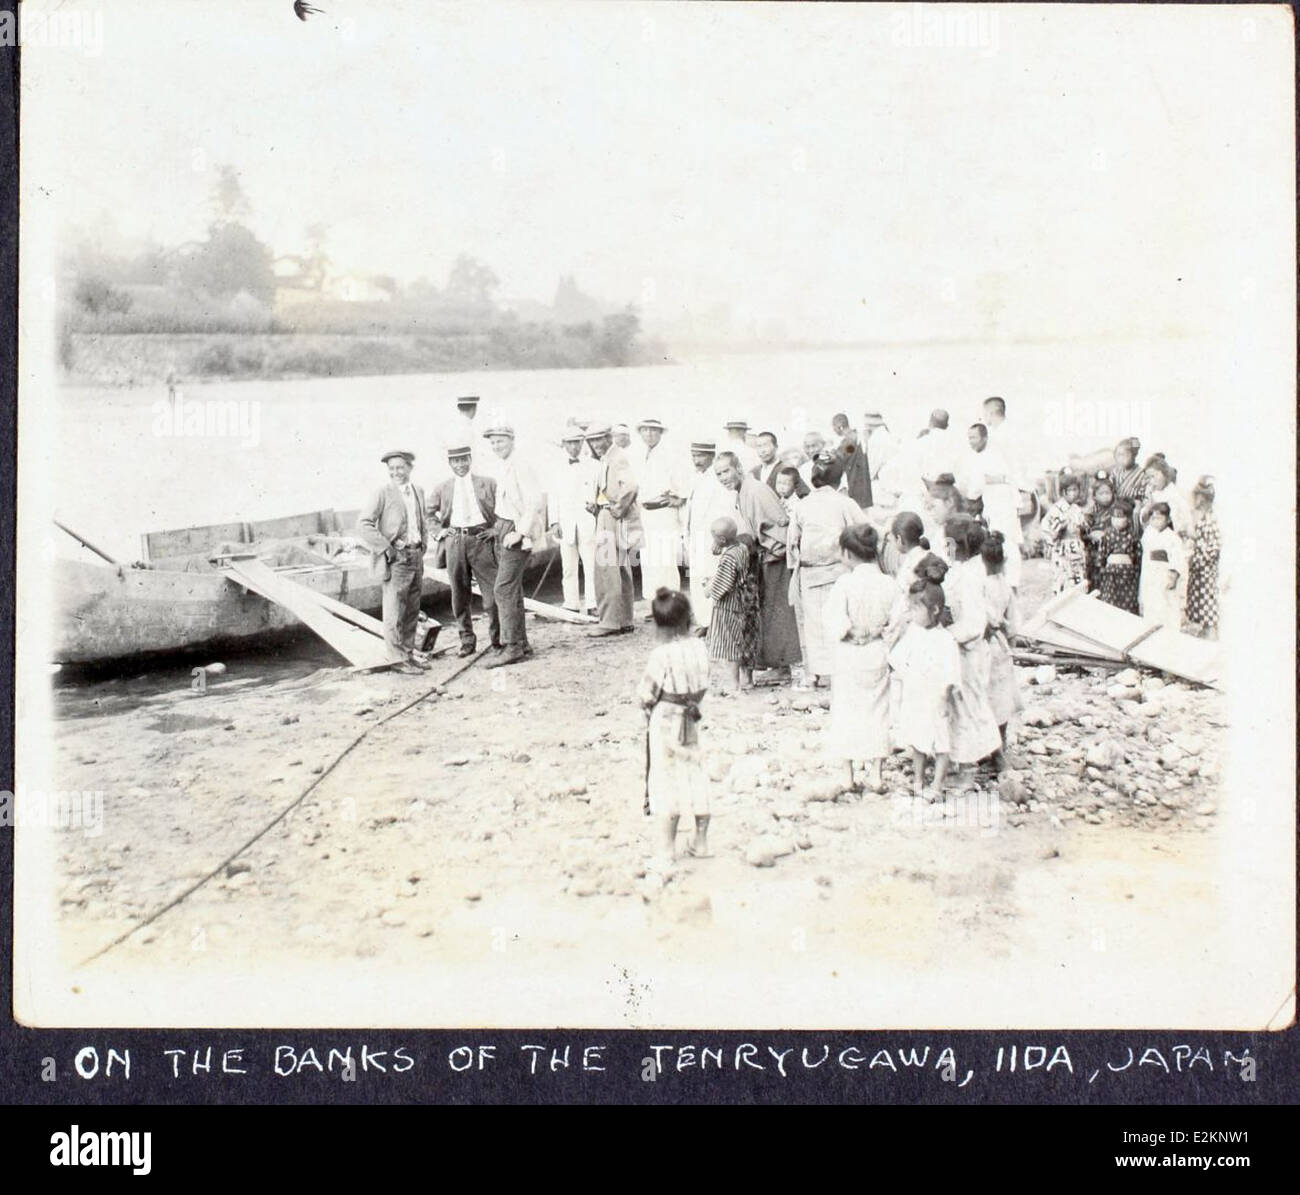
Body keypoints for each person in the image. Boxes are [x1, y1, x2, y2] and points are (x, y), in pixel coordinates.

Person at [637, 588, 711, 866]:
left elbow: (647, 693)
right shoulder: (699, 648)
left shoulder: (661, 655)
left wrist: (646, 712)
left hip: (666, 719)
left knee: (666, 779)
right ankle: (701, 841)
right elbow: (704, 684)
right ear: (688, 618)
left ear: (659, 624)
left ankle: (666, 849)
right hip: (690, 716)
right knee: (694, 773)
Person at [823, 523, 896, 793]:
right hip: (876, 649)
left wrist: (848, 630)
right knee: (878, 710)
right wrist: (879, 630)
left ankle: (847, 774)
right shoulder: (889, 584)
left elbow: (832, 617)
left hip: (849, 652)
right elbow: (899, 619)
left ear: (848, 554)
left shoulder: (845, 582)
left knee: (846, 709)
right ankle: (876, 774)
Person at [716, 451, 801, 677]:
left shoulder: (754, 491)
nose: (723, 477)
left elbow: (779, 526)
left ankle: (783, 667)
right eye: (719, 474)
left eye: (726, 471)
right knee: (768, 611)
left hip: (776, 556)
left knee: (777, 611)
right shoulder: (743, 491)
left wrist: (772, 551)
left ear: (738, 468)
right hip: (765, 554)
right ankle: (775, 664)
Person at [787, 456, 863, 685]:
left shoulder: (803, 505)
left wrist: (795, 568)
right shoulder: (844, 503)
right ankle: (839, 672)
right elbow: (863, 529)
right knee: (839, 619)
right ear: (839, 478)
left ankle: (815, 674)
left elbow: (792, 542)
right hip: (838, 569)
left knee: (813, 623)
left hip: (811, 572)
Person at [355, 450, 430, 675]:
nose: (396, 472)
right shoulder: (382, 493)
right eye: (392, 469)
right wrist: (387, 548)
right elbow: (364, 524)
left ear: (410, 468)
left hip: (416, 555)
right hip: (397, 560)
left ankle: (407, 654)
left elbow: (420, 520)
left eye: (400, 468)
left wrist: (423, 545)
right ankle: (397, 659)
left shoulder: (418, 491)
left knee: (412, 608)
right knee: (394, 610)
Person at [888, 575, 961, 799]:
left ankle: (937, 785)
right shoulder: (913, 633)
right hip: (917, 693)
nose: (911, 614)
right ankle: (918, 780)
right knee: (918, 737)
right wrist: (908, 673)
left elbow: (952, 671)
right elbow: (896, 657)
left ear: (935, 610)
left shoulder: (946, 639)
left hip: (937, 697)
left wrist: (946, 694)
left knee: (941, 741)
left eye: (915, 609)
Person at [942, 516, 1004, 774]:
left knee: (972, 704)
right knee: (971, 703)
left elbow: (974, 623)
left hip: (970, 648)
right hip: (968, 646)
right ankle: (987, 755)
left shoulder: (970, 576)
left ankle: (982, 759)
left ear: (952, 545)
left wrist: (947, 635)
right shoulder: (967, 570)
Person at [483, 421, 546, 668]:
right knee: (512, 588)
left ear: (512, 440)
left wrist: (519, 533)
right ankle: (521, 643)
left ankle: (512, 645)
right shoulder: (504, 465)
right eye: (493, 442)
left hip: (515, 530)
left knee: (503, 588)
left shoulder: (521, 465)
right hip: (503, 526)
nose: (497, 446)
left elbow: (534, 502)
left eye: (501, 441)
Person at [428, 443, 500, 657]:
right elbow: (428, 514)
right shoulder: (443, 488)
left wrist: (496, 529)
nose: (459, 465)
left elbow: (503, 508)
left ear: (470, 459)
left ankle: (498, 640)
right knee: (459, 595)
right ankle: (467, 640)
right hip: (455, 542)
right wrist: (440, 532)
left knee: (492, 594)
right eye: (455, 461)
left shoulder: (488, 483)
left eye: (463, 460)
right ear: (450, 463)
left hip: (481, 540)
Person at [585, 423, 641, 637]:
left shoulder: (617, 457)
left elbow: (631, 486)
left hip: (611, 517)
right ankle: (624, 619)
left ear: (609, 437)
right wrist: (596, 504)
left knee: (606, 569)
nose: (596, 444)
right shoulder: (608, 458)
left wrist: (615, 509)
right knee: (619, 568)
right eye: (592, 440)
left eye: (600, 439)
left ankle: (609, 622)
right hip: (607, 513)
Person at [960, 419, 1024, 588]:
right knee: (1004, 541)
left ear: (985, 438)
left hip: (1003, 505)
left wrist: (968, 496)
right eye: (969, 438)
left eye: (974, 437)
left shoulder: (991, 456)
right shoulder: (983, 457)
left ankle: (1011, 581)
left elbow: (975, 488)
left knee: (1007, 542)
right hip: (996, 505)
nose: (971, 441)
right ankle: (1006, 578)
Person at [635, 417, 688, 599]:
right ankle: (653, 602)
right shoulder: (640, 455)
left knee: (665, 559)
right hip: (646, 513)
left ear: (660, 433)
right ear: (640, 433)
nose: (649, 434)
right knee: (649, 560)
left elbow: (684, 483)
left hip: (664, 512)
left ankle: (671, 602)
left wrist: (678, 498)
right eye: (645, 430)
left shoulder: (670, 454)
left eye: (653, 430)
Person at [683, 439, 733, 633]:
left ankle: (715, 621)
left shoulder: (717, 480)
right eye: (694, 456)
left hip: (711, 537)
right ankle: (705, 621)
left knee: (711, 577)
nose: (697, 460)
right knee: (696, 578)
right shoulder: (696, 478)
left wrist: (720, 538)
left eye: (701, 456)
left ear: (711, 457)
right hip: (695, 535)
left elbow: (724, 511)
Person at [705, 516, 760, 692]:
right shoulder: (741, 548)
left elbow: (724, 584)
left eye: (714, 537)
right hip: (742, 599)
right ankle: (746, 680)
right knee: (744, 639)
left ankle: (733, 684)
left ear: (721, 539)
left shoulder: (729, 557)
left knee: (730, 643)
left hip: (728, 605)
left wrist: (709, 589)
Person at [980, 531, 1022, 758]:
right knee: (1002, 695)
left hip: (985, 642)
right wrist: (1011, 639)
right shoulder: (1005, 586)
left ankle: (987, 746)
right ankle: (1000, 743)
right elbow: (1014, 619)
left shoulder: (981, 586)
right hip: (1001, 644)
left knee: (985, 694)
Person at [548, 427, 598, 615]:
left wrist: (595, 505)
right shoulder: (556, 467)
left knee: (591, 565)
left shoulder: (593, 465)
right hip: (566, 524)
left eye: (577, 442)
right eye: (570, 442)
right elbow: (553, 497)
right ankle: (571, 603)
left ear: (582, 443)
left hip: (587, 522)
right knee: (568, 567)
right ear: (564, 444)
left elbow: (599, 491)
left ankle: (593, 604)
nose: (574, 446)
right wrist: (554, 523)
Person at [1040, 473, 1090, 594]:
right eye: (1070, 490)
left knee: (1078, 580)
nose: (1074, 493)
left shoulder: (1077, 509)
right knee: (1064, 580)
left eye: (1075, 489)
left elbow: (1084, 528)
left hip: (1076, 547)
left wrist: (1083, 528)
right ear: (1063, 492)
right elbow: (1046, 528)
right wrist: (1057, 532)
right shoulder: (1056, 509)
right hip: (1062, 549)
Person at [1139, 502, 1185, 628]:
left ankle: (1168, 632)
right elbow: (1146, 550)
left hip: (1164, 572)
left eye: (1159, 518)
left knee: (1166, 603)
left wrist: (1173, 574)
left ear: (1168, 519)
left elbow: (1177, 557)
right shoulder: (1149, 533)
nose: (1156, 521)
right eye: (1153, 518)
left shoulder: (1172, 537)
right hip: (1150, 571)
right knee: (1151, 602)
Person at [1184, 477, 1220, 639]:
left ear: (1202, 499)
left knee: (1207, 598)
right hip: (1198, 566)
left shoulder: (1211, 521)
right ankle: (1204, 627)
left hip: (1205, 567)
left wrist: (1198, 559)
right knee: (1198, 597)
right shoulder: (1202, 518)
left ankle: (1210, 629)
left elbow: (1213, 547)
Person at [1096, 498, 1142, 614]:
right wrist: (1102, 568)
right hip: (1111, 573)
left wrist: (1135, 571)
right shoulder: (1107, 534)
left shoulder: (1133, 536)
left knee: (1127, 603)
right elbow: (1102, 553)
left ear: (1128, 519)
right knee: (1110, 602)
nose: (1117, 520)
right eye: (1114, 517)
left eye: (1121, 517)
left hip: (1128, 574)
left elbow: (1137, 556)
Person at [1083, 471, 1117, 592]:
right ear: (1094, 496)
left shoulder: (1117, 510)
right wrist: (1091, 535)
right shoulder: (1090, 512)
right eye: (1101, 493)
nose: (1105, 496)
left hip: (1111, 550)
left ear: (1113, 493)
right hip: (1094, 552)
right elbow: (1083, 532)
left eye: (1108, 493)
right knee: (1095, 581)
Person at [831, 412, 872, 508]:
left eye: (834, 427)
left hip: (854, 481)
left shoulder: (850, 441)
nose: (834, 430)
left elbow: (840, 457)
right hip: (862, 481)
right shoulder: (857, 436)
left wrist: (831, 453)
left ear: (839, 426)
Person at [753, 431, 810, 497]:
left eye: (766, 446)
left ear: (776, 447)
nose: (762, 450)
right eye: (759, 446)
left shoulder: (786, 468)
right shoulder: (755, 471)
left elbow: (805, 494)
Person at [1110, 437, 1146, 502]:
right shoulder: (1115, 472)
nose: (1120, 459)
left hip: (1134, 507)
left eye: (1123, 455)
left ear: (1133, 455)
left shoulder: (1141, 474)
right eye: (1118, 455)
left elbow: (1143, 496)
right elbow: (1109, 489)